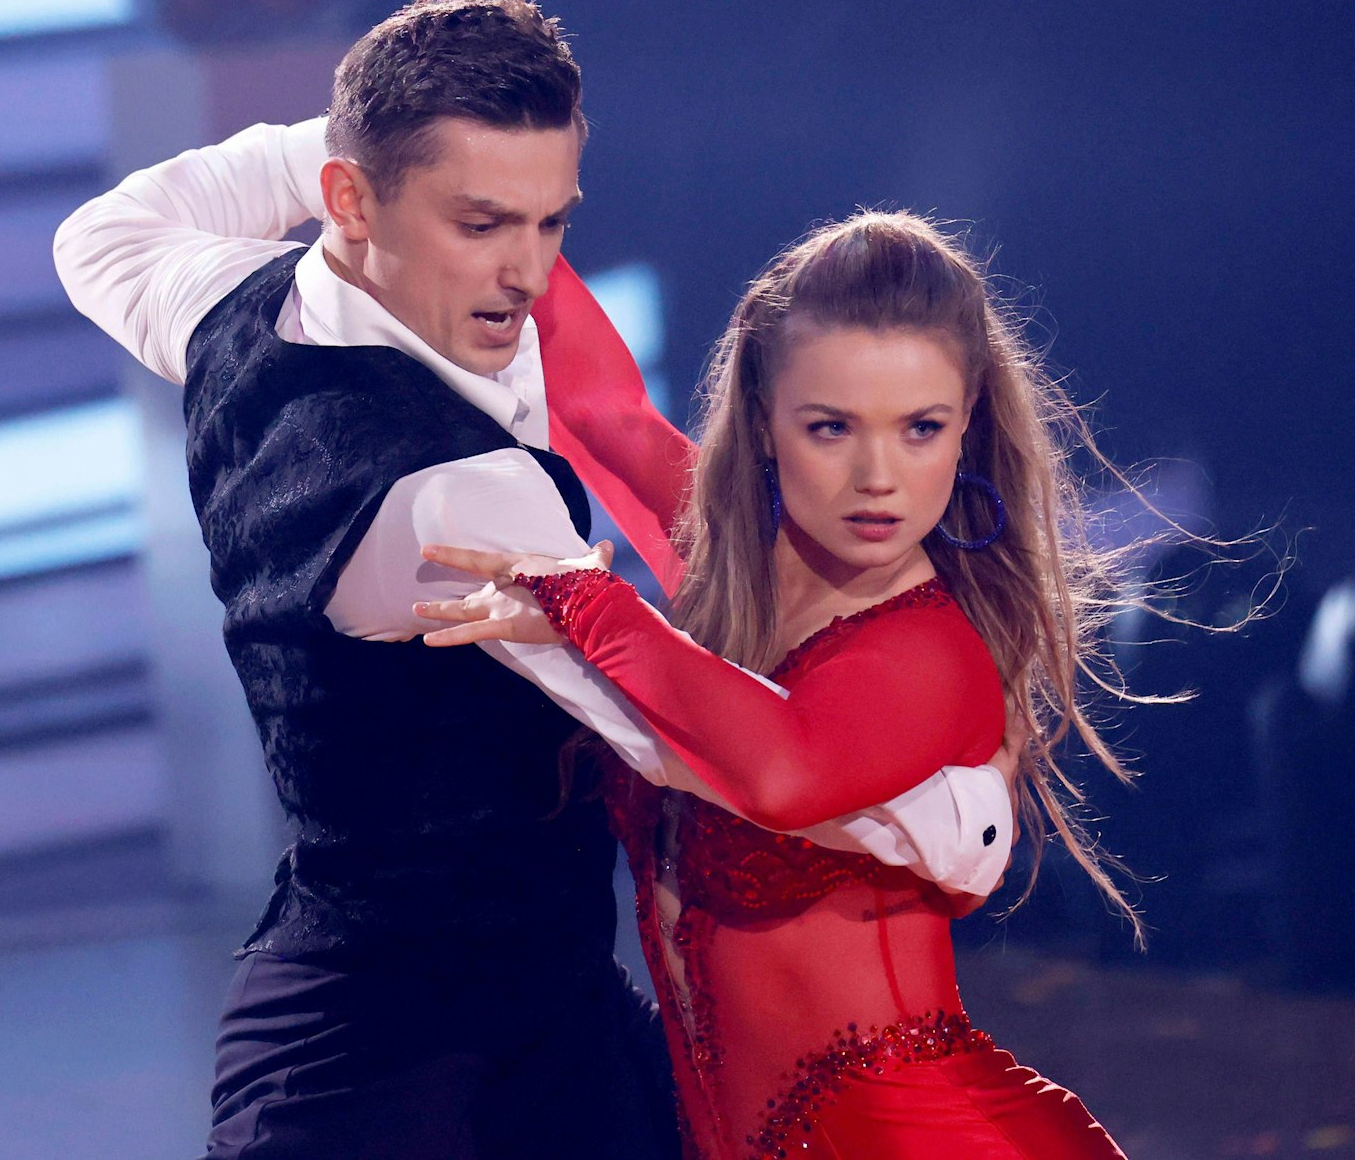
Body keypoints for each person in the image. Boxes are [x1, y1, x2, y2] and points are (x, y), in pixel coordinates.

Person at [53, 0, 1017, 1158]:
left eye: (550, 221)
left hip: (536, 1012)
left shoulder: (220, 301)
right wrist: (957, 814)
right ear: (350, 202)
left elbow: (103, 233)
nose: (528, 274)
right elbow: (686, 736)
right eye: (480, 223)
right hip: (392, 1056)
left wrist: (388, 132)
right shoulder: (462, 495)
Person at [417, 212, 1134, 1157]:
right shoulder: (731, 571)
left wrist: (584, 599)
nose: (878, 478)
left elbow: (784, 770)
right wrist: (475, 219)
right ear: (763, 420)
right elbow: (599, 408)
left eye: (922, 428)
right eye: (831, 427)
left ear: (968, 429)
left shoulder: (934, 654)